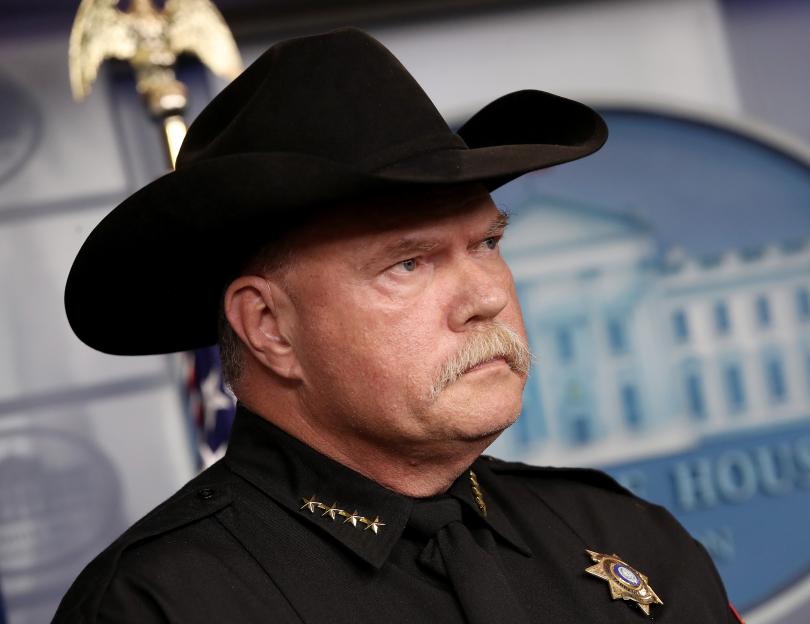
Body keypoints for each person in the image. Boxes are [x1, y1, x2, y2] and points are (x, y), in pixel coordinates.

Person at [55, 28, 741, 623]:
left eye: (486, 245)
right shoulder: (161, 607)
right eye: (409, 263)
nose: (485, 298)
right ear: (269, 328)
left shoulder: (621, 532)